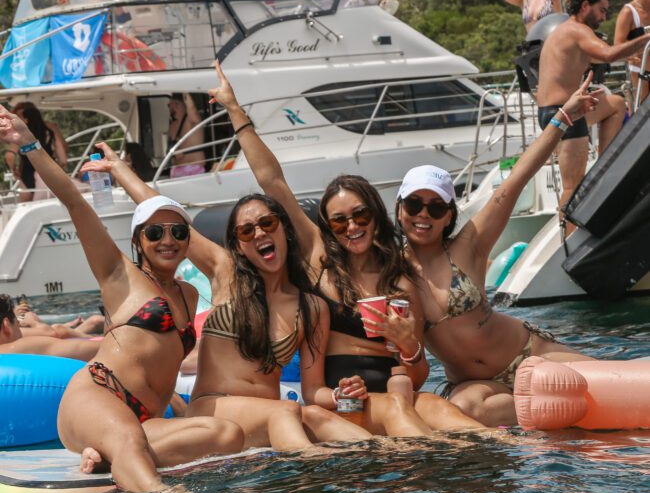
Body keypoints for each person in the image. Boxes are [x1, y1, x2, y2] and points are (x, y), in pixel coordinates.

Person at [207, 63, 484, 434]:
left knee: (452, 417)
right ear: (329, 227)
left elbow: (415, 375)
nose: (351, 226)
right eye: (339, 221)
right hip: (345, 399)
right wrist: (234, 110)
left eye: (360, 215)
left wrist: (408, 345)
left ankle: (512, 467)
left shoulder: (399, 281)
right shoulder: (318, 259)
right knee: (405, 414)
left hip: (396, 392)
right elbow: (273, 182)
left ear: (375, 214)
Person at [0, 105, 244, 493]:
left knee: (228, 433)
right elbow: (74, 202)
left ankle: (108, 454)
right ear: (138, 240)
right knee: (129, 439)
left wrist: (179, 408)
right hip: (97, 396)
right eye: (155, 232)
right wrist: (29, 143)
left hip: (145, 418)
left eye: (179, 233)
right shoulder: (119, 275)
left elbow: (165, 365)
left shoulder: (190, 292)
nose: (168, 240)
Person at [82, 144, 373, 451]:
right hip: (214, 408)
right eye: (247, 232)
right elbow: (164, 214)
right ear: (239, 244)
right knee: (287, 412)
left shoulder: (311, 307)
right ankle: (311, 475)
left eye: (267, 224)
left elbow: (313, 391)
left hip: (267, 416)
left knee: (315, 415)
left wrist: (340, 396)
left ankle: (391, 458)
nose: (259, 234)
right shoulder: (228, 274)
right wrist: (119, 170)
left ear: (284, 230)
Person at [395, 75, 601, 427]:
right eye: (414, 204)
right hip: (476, 385)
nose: (423, 215)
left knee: (612, 388)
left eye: (436, 207)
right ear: (399, 208)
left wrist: (562, 118)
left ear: (448, 216)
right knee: (466, 412)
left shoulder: (468, 246)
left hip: (527, 353)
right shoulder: (390, 271)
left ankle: (551, 412)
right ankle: (548, 416)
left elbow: (515, 180)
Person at [537, 0, 650, 220]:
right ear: (585, 6)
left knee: (616, 104)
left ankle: (603, 166)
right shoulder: (578, 30)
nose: (604, 16)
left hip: (556, 111)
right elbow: (608, 53)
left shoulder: (564, 30)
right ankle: (567, 245)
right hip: (565, 114)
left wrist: (628, 53)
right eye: (602, 10)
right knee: (571, 188)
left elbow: (595, 56)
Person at [0, 293, 100, 361]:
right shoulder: (21, 348)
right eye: (16, 323)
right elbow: (99, 349)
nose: (19, 324)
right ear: (6, 326)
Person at [11, 102, 67, 202]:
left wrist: (14, 170)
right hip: (50, 172)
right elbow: (63, 158)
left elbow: (9, 155)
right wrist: (57, 168)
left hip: (27, 175)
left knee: (28, 206)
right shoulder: (50, 128)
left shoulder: (19, 133)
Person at [614, 0, 650, 106]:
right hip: (640, 76)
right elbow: (617, 48)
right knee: (643, 122)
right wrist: (635, 52)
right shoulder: (628, 12)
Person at [167, 93, 206, 178]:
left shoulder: (192, 120)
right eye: (170, 105)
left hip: (193, 170)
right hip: (175, 171)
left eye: (177, 104)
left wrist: (184, 90)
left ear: (184, 105)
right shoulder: (172, 125)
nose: (173, 107)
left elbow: (192, 108)